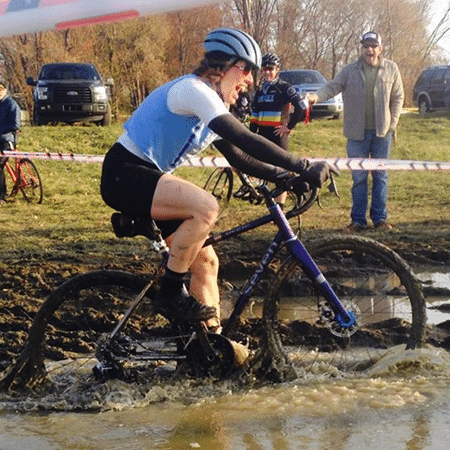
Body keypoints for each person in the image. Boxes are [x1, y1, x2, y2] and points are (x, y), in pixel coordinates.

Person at [100, 27, 337, 330]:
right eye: (247, 71)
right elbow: (241, 135)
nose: (250, 81)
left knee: (206, 263)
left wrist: (285, 176)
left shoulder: (210, 101)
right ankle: (171, 292)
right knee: (206, 207)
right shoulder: (193, 91)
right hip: (125, 173)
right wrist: (303, 165)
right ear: (228, 66)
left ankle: (213, 345)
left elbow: (240, 156)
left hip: (147, 177)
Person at [308, 31, 404, 232]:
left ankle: (380, 220)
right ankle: (358, 221)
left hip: (381, 134)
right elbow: (333, 87)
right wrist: (315, 97)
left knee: (381, 177)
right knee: (359, 178)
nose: (370, 50)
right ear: (361, 48)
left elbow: (398, 98)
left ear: (380, 47)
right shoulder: (350, 70)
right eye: (366, 46)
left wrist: (392, 125)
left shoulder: (391, 69)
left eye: (373, 46)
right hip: (356, 134)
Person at [249, 53, 306, 209]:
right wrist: (251, 134)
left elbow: (302, 107)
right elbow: (254, 115)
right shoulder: (260, 90)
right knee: (264, 170)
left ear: (277, 70)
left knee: (281, 173)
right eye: (264, 69)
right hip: (262, 136)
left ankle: (280, 206)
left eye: (271, 69)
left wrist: (289, 126)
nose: (267, 72)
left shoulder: (284, 88)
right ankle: (271, 204)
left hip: (278, 136)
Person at [0, 80, 21, 204]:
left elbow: (15, 125)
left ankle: (2, 195)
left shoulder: (11, 104)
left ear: (4, 91)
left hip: (7, 140)